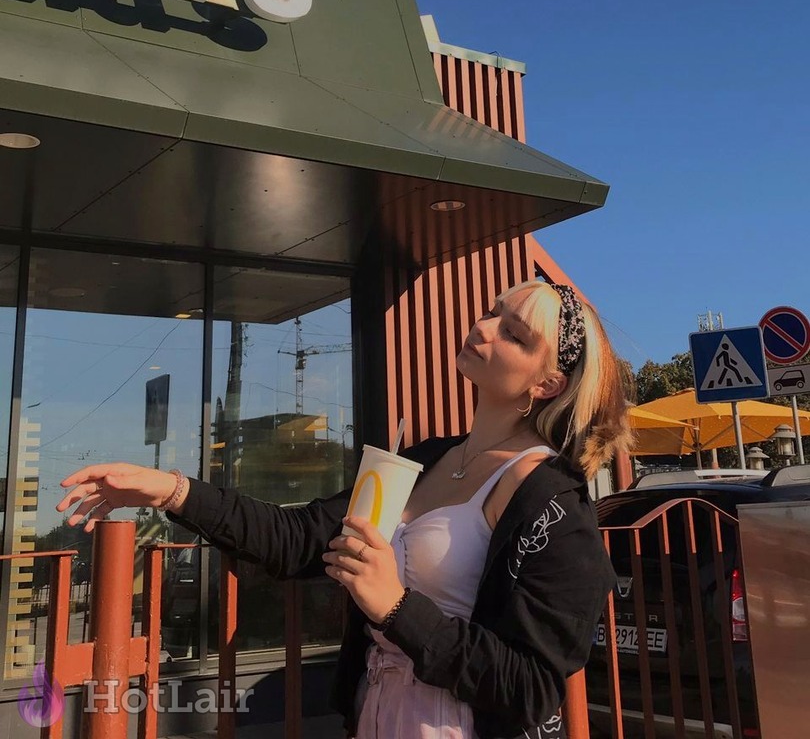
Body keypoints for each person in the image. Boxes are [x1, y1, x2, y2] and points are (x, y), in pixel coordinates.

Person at [57, 280, 631, 739]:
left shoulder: (551, 501)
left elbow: (532, 687)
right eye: (490, 312)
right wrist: (170, 490)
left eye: (513, 332)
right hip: (373, 713)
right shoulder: (422, 463)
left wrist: (398, 607)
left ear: (549, 382)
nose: (482, 328)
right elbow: (297, 538)